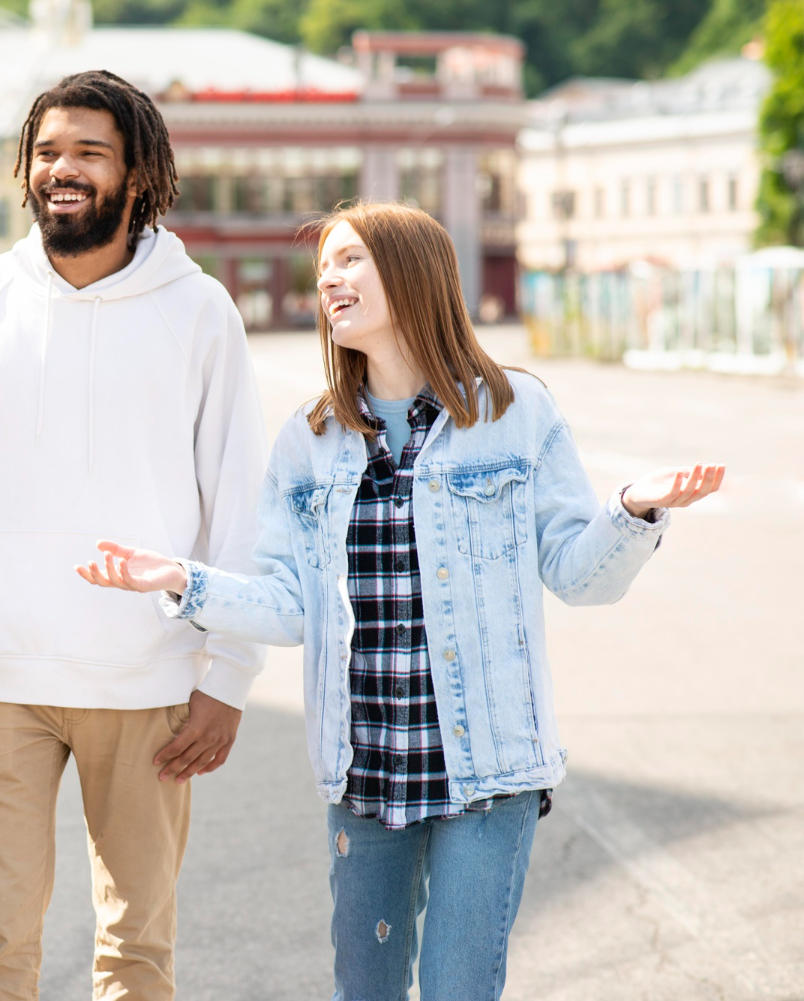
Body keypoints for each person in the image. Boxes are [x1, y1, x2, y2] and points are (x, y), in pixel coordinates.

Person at [78, 201, 724, 1001]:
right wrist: (183, 581)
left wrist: (631, 509)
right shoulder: (308, 438)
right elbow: (289, 604)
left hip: (486, 776)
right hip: (364, 774)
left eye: (350, 260)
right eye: (325, 270)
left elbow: (577, 575)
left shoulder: (512, 413)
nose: (330, 280)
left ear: (413, 272)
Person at [0, 70, 268, 1000]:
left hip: (149, 677)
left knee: (138, 950)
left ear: (137, 174)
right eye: (48, 152)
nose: (63, 170)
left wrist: (227, 673)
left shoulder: (199, 311)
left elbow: (239, 499)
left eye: (89, 153)